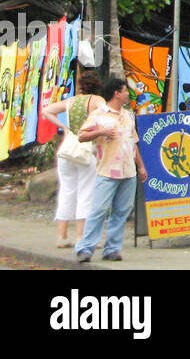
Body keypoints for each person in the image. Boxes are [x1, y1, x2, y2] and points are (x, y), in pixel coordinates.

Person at [74, 76, 147, 263]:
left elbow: (133, 142)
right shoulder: (98, 114)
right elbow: (82, 135)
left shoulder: (128, 115)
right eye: (125, 91)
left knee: (121, 211)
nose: (127, 95)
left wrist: (141, 166)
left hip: (128, 171)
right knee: (98, 210)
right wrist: (101, 132)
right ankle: (85, 248)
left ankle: (112, 248)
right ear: (117, 94)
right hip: (107, 170)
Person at [44, 68, 104, 249]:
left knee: (67, 191)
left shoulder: (70, 101)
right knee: (86, 191)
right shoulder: (97, 101)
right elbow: (105, 116)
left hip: (67, 148)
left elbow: (47, 111)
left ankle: (62, 236)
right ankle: (81, 236)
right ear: (97, 85)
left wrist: (63, 126)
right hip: (86, 149)